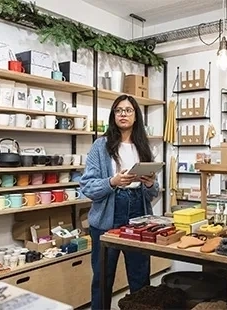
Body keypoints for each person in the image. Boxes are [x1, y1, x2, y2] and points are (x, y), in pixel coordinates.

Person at [80, 94, 160, 310]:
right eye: (118, 110)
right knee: (102, 277)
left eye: (128, 110)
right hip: (108, 215)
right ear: (113, 115)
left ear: (136, 116)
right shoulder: (101, 146)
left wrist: (151, 182)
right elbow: (87, 186)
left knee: (140, 275)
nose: (123, 114)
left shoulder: (143, 147)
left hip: (139, 215)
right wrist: (112, 182)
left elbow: (154, 193)